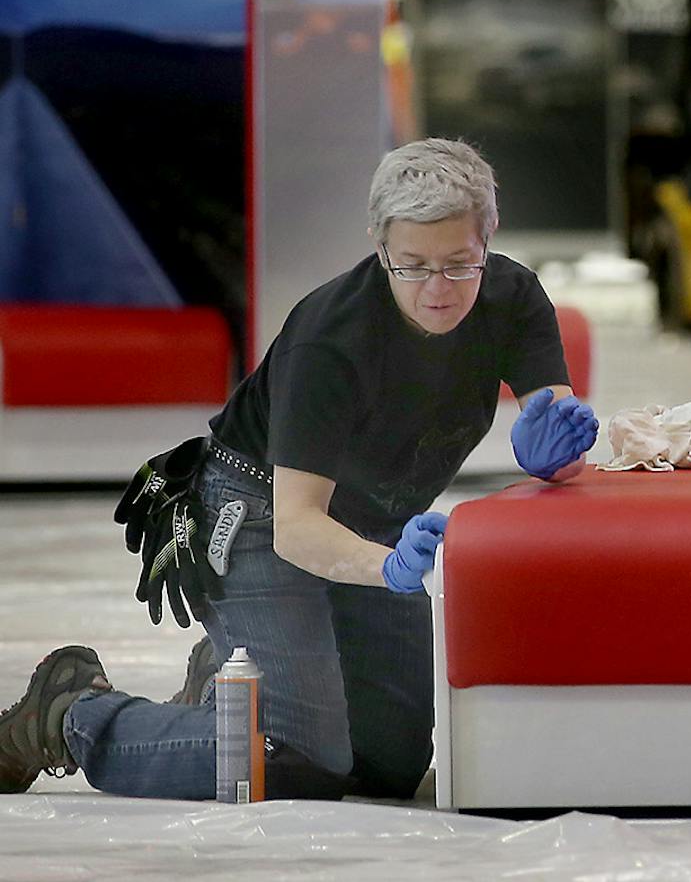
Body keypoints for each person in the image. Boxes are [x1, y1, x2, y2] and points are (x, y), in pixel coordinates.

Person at [0, 138, 599, 799]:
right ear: (379, 244)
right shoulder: (330, 340)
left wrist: (554, 455)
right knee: (294, 759)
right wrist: (387, 567)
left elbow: (559, 429)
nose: (436, 290)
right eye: (411, 266)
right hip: (258, 512)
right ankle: (71, 714)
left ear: (488, 238)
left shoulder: (513, 298)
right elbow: (298, 526)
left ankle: (229, 678)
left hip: (370, 523)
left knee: (388, 764)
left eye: (460, 266)